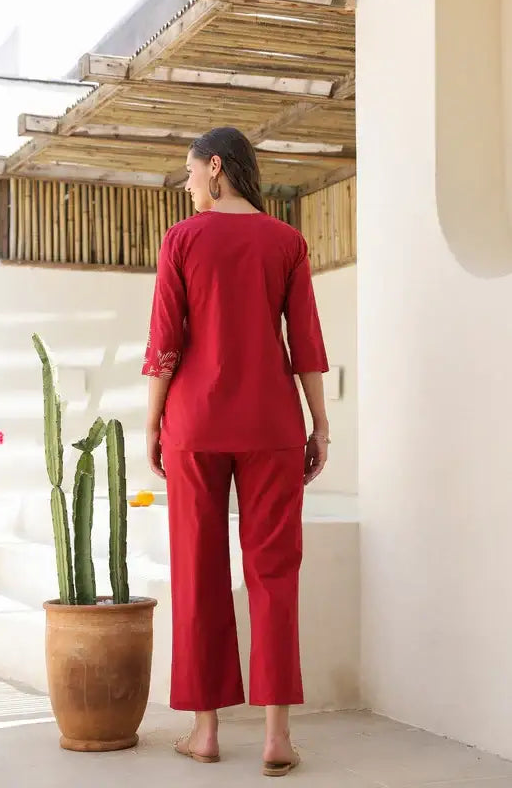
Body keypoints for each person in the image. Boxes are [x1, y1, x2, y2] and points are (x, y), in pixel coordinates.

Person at [142, 126, 330, 777]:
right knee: (275, 574)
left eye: (190, 171)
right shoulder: (286, 243)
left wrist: (152, 422)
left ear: (216, 166)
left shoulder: (182, 239)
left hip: (194, 424)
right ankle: (276, 737)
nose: (187, 184)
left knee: (197, 571)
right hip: (271, 424)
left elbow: (165, 341)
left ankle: (206, 732)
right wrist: (320, 424)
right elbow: (306, 341)